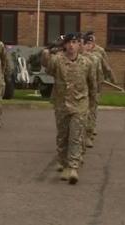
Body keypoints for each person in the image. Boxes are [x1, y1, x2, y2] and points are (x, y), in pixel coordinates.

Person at [41, 33, 97, 184]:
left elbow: (92, 84)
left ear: (79, 45)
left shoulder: (87, 63)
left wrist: (92, 104)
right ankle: (64, 164)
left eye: (75, 42)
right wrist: (46, 52)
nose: (72, 45)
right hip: (62, 104)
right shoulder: (57, 60)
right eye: (69, 43)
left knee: (76, 136)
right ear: (64, 45)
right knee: (63, 136)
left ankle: (73, 167)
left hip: (80, 105)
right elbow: (47, 67)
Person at [81, 34, 104, 149]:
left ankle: (88, 135)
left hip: (91, 89)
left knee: (90, 112)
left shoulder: (95, 58)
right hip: (79, 91)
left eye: (89, 44)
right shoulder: (75, 57)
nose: (86, 46)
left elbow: (99, 74)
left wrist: (97, 89)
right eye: (85, 44)